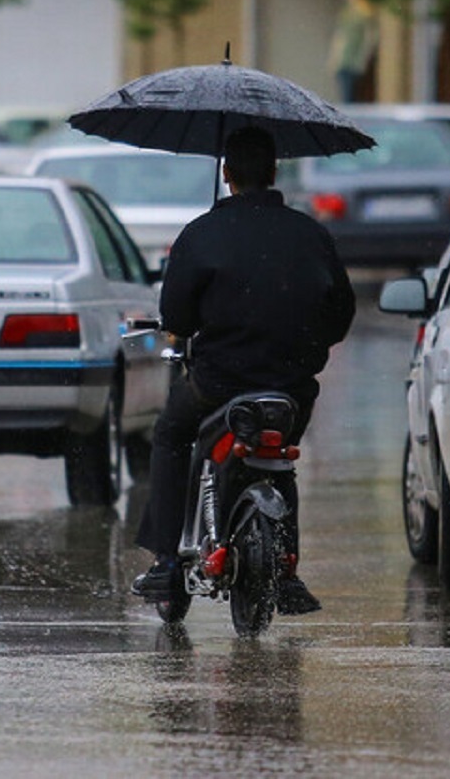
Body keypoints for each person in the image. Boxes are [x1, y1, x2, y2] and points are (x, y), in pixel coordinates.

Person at [131, 126, 356, 615]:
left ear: (226, 173)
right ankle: (288, 571)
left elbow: (178, 320)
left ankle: (167, 561)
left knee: (171, 435)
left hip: (218, 384)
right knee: (281, 462)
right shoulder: (312, 234)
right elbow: (340, 315)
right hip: (292, 390)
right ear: (274, 172)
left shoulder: (200, 234)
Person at [327, 0, 379, 104]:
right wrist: (334, 59)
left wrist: (362, 60)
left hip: (353, 60)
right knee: (345, 94)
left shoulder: (363, 13)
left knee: (351, 97)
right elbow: (340, 37)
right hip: (344, 59)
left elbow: (370, 38)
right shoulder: (346, 13)